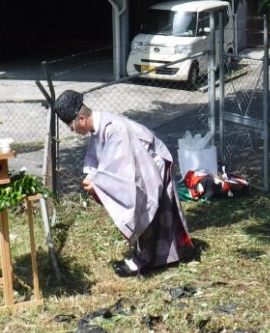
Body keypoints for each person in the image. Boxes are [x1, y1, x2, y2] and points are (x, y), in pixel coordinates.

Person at [53, 89, 193, 277]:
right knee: (150, 214)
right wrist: (91, 176)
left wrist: (98, 184)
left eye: (72, 128)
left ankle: (149, 260)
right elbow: (102, 159)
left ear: (82, 120)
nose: (74, 132)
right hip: (140, 164)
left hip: (151, 163)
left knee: (149, 208)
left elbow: (120, 169)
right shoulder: (99, 126)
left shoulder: (113, 128)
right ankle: (152, 257)